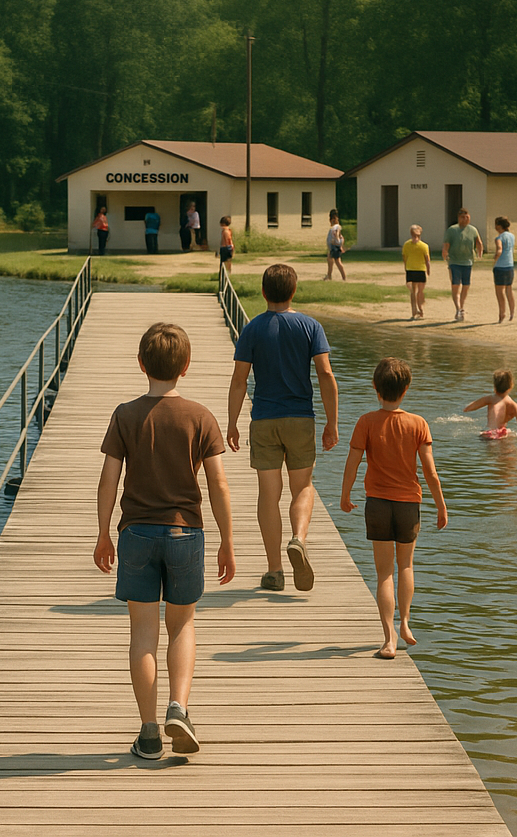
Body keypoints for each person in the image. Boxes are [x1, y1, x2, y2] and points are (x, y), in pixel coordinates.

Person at [94, 323, 235, 759]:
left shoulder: (125, 414)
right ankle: (180, 707)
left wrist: (103, 533)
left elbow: (109, 480)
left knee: (142, 633)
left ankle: (150, 731)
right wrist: (227, 540)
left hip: (135, 533)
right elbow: (218, 486)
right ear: (186, 368)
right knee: (183, 625)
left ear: (141, 365)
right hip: (186, 532)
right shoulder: (200, 416)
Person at [227, 264, 339, 593]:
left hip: (263, 418)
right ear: (294, 292)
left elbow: (239, 381)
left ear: (263, 292)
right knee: (302, 487)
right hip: (301, 418)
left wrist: (232, 423)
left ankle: (274, 570)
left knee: (268, 493)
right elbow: (325, 375)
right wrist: (332, 422)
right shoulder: (310, 326)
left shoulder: (252, 329)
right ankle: (299, 539)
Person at [339, 357, 447, 660]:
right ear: (407, 389)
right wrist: (441, 506)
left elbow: (352, 463)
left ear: (375, 387)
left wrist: (345, 494)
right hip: (408, 504)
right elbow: (430, 472)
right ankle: (405, 623)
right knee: (406, 566)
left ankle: (388, 639)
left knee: (384, 573)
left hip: (377, 504)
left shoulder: (366, 422)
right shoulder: (418, 424)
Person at [463, 369, 517, 439]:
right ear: (511, 386)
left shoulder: (490, 399)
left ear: (494, 386)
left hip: (489, 434)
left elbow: (467, 408)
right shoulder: (514, 405)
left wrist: (467, 406)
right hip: (503, 434)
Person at [441, 208, 482, 321]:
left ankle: (462, 307)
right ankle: (458, 308)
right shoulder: (452, 230)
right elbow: (446, 244)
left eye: (467, 217)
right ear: (459, 218)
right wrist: (445, 253)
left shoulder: (473, 230)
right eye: (463, 217)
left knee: (466, 285)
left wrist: (480, 251)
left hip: (467, 262)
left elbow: (478, 241)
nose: (465, 219)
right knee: (455, 286)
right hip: (454, 262)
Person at [401, 225, 432, 320]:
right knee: (420, 291)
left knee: (413, 291)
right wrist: (428, 269)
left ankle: (415, 311)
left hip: (411, 269)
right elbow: (427, 260)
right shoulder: (424, 246)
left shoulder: (406, 245)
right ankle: (419, 309)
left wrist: (406, 267)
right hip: (420, 270)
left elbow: (404, 258)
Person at [491, 216, 516, 323]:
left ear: (499, 226)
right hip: (510, 265)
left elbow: (499, 250)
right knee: (509, 290)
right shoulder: (512, 236)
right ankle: (512, 312)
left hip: (500, 267)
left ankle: (502, 312)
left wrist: (495, 258)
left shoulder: (499, 238)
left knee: (499, 292)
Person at [324, 210, 347, 281]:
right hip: (332, 247)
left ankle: (343, 277)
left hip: (334, 247)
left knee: (337, 262)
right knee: (330, 260)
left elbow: (337, 234)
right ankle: (329, 275)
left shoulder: (337, 227)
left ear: (334, 219)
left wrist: (337, 241)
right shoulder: (334, 227)